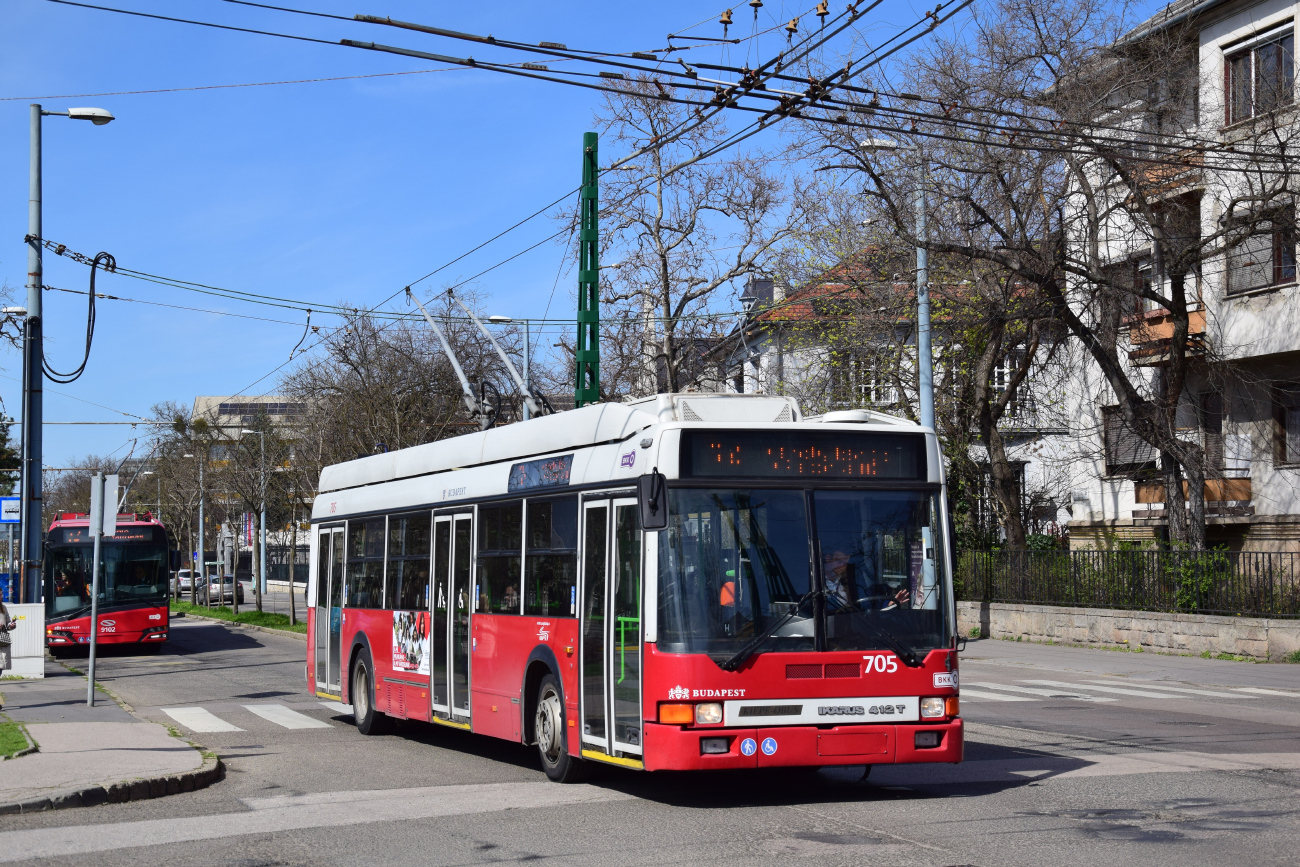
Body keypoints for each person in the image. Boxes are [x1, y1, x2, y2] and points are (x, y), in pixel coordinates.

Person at [823, 549, 909, 611]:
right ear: (828, 558)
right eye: (839, 562)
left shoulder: (853, 581)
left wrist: (889, 605)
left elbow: (867, 605)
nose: (842, 566)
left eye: (845, 563)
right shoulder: (817, 582)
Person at [0, 596, 15, 701]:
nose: (1, 597)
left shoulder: (3, 608)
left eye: (1, 594)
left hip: (2, 642)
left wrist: (11, 625)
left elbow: (8, 623)